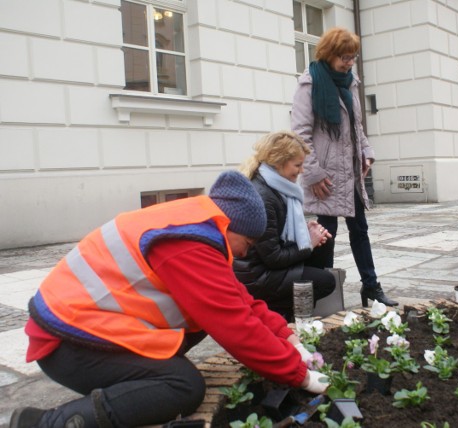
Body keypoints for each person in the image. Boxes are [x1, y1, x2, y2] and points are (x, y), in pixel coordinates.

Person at [10, 171, 327, 428]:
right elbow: (235, 325)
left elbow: (237, 298)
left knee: (197, 334)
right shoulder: (190, 244)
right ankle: (44, 423)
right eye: (247, 241)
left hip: (83, 327)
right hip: (68, 341)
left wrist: (286, 335)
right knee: (183, 387)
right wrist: (299, 374)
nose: (246, 251)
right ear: (229, 225)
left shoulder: (195, 225)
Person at [291, 27, 398, 308]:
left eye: (353, 57)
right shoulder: (309, 84)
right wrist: (313, 173)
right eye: (344, 57)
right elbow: (300, 134)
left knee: (360, 231)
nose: (349, 62)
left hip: (350, 173)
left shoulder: (350, 82)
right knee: (326, 234)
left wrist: (366, 152)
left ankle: (371, 287)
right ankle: (322, 293)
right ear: (329, 54)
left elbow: (356, 125)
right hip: (324, 176)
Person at [233, 131, 336, 322]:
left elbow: (278, 231)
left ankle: (298, 307)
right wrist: (308, 244)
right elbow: (273, 258)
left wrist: (306, 232)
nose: (302, 170)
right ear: (279, 163)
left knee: (325, 242)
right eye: (298, 165)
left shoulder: (276, 185)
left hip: (266, 265)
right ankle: (283, 314)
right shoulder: (264, 197)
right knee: (325, 282)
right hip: (256, 276)